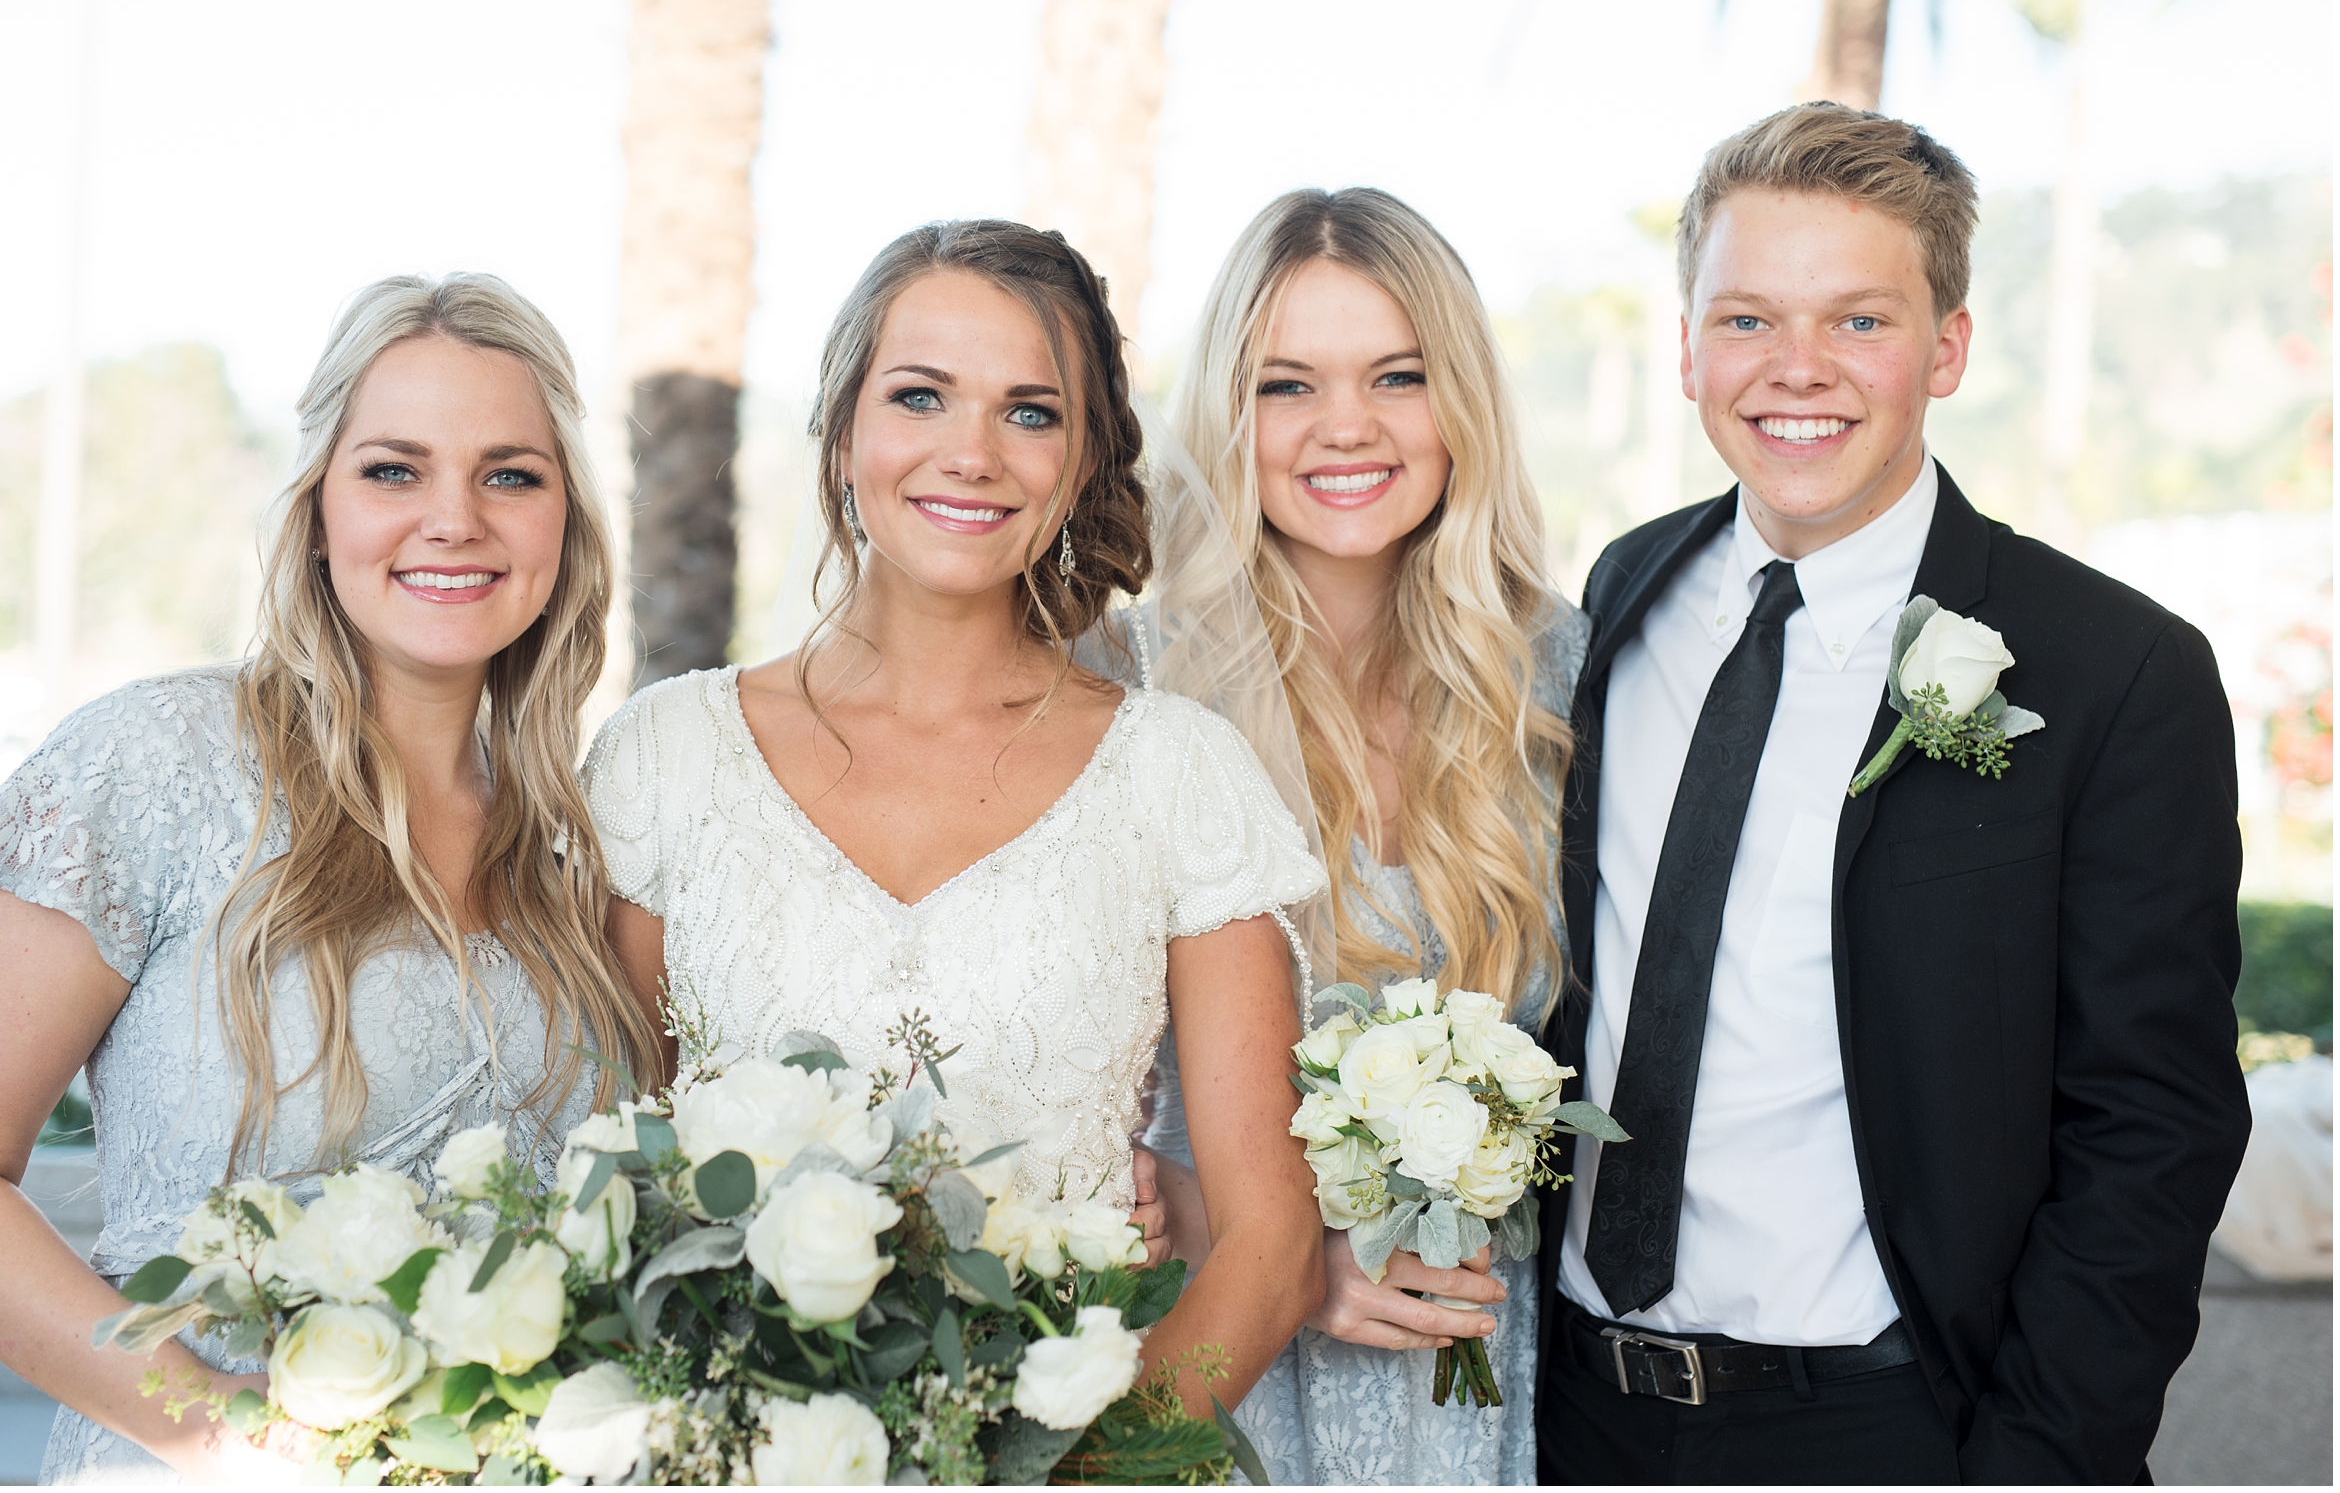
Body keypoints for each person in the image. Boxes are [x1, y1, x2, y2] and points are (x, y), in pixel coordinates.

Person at [1537, 102, 2250, 1484]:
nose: (1795, 368)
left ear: (1949, 345)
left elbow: (2154, 1127)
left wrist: (2036, 1458)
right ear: (1686, 346)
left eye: (1858, 320)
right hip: (1575, 1411)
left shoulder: (2117, 668)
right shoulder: (1622, 593)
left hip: (1897, 1425)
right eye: (1745, 318)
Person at [0, 274, 654, 1484]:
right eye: (394, 470)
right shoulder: (148, 764)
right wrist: (230, 1437)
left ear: (566, 521)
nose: (455, 518)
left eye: (511, 473)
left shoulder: (571, 843)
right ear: (317, 507)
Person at [580, 219, 1329, 1410]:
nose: (971, 452)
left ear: (1083, 464)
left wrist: (1091, 1469)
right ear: (840, 432)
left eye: (1030, 412)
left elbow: (1270, 1249)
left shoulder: (1175, 775)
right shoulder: (666, 760)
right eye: (920, 397)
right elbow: (600, 1178)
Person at [1144, 186, 1584, 1484]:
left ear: (1462, 405)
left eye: (1398, 375)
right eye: (1288, 385)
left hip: (1494, 1385)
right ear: (1229, 414)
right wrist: (1279, 1255)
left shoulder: (1564, 677)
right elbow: (1054, 1108)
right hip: (1222, 1383)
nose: (1348, 425)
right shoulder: (1125, 687)